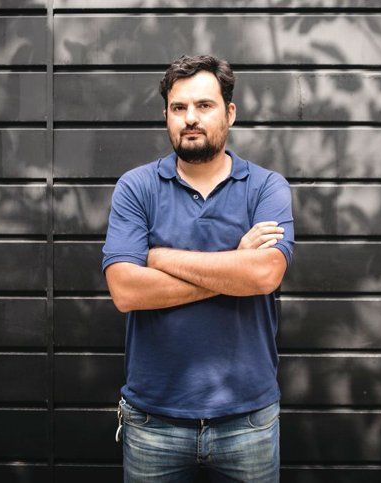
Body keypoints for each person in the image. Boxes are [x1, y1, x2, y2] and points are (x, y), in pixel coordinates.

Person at [102, 54, 295, 482]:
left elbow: (264, 275)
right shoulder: (137, 188)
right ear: (166, 116)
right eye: (178, 107)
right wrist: (235, 266)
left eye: (204, 105)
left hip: (248, 421)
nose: (190, 118)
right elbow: (126, 291)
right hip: (153, 421)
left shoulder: (266, 187)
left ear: (230, 113)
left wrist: (160, 257)